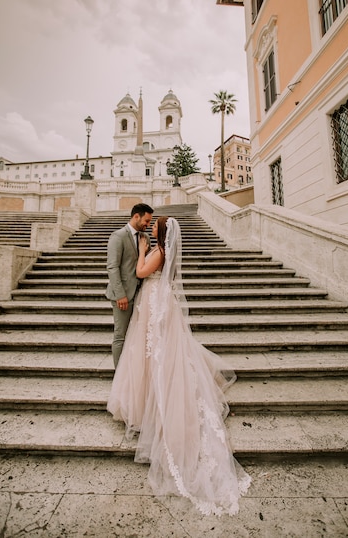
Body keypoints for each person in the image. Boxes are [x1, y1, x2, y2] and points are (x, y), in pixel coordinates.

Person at [107, 216, 251, 516]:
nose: (150, 229)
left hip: (156, 302)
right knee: (157, 351)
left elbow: (140, 270)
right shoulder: (165, 249)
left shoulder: (158, 251)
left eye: (154, 227)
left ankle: (154, 401)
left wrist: (144, 250)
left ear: (160, 232)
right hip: (159, 300)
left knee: (158, 353)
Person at [106, 203, 153, 367]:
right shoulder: (118, 236)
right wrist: (120, 295)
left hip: (141, 294)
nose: (148, 225)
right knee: (121, 336)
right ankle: (119, 373)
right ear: (136, 216)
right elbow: (112, 267)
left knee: (137, 336)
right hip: (123, 295)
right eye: (146, 221)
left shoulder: (145, 238)